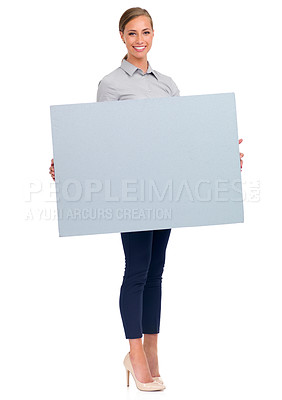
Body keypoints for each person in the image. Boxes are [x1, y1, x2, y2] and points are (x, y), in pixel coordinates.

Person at [49, 7, 244, 392]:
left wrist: (222, 155)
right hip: (131, 191)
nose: (140, 39)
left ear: (154, 35)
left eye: (147, 32)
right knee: (136, 268)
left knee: (156, 269)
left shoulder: (167, 84)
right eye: (133, 33)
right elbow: (99, 140)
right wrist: (71, 163)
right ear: (121, 36)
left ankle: (153, 349)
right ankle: (134, 353)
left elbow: (181, 140)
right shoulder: (110, 84)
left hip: (164, 189)